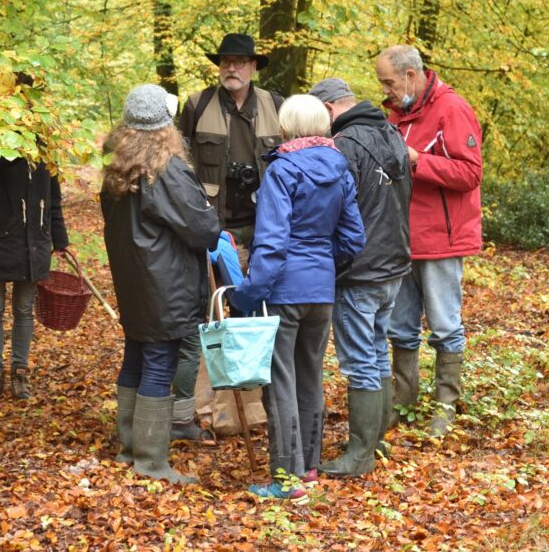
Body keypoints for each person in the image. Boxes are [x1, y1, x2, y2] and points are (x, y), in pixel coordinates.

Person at [230, 94, 365, 501]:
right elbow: (353, 237)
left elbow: (271, 243)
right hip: (320, 290)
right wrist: (322, 264)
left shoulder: (282, 170)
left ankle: (285, 481)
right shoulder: (340, 168)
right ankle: (307, 469)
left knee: (281, 383)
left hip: (285, 290)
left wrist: (248, 293)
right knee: (309, 377)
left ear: (287, 128)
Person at [102, 84, 220, 484]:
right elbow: (204, 228)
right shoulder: (168, 171)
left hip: (136, 280)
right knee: (157, 361)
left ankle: (132, 448)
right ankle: (151, 461)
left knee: (136, 355)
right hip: (164, 283)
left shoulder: (117, 170)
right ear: (166, 125)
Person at [171, 32, 284, 441]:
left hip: (265, 229)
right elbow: (178, 163)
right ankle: (209, 409)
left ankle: (253, 408)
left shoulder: (276, 106)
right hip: (212, 230)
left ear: (254, 67)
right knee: (209, 316)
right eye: (225, 62)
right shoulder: (198, 105)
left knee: (254, 315)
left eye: (240, 61)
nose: (231, 68)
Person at [376, 45, 483, 438]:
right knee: (400, 325)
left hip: (442, 238)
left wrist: (418, 160)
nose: (385, 90)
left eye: (388, 82)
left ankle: (446, 406)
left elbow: (470, 173)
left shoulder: (452, 109)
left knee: (443, 325)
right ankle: (403, 401)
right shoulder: (394, 113)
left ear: (410, 75)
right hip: (401, 240)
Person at [310, 78, 411, 477]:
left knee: (359, 362)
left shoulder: (345, 145)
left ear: (330, 108)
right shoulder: (391, 133)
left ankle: (360, 453)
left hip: (360, 270)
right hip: (393, 263)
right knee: (376, 352)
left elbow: (336, 212)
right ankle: (376, 441)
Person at [0, 151, 69, 402]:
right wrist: (8, 148)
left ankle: (19, 373)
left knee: (23, 310)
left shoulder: (45, 149)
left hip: (33, 242)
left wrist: (60, 239)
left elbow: (53, 197)